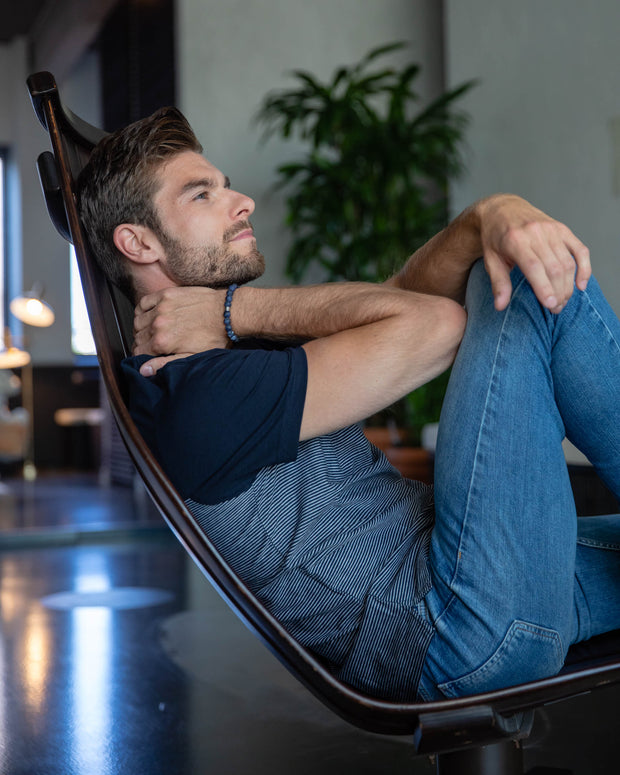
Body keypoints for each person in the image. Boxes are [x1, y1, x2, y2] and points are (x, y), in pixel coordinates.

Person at [77, 106, 620, 702]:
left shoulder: (229, 360)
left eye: (226, 184)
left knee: (517, 254)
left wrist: (482, 220)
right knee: (529, 280)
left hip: (474, 588)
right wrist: (235, 309)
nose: (242, 202)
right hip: (455, 622)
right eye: (203, 194)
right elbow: (435, 323)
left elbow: (396, 300)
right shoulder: (195, 397)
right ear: (138, 242)